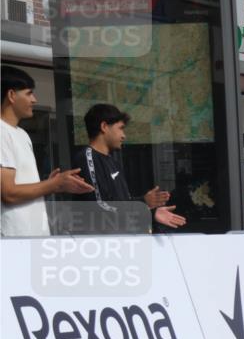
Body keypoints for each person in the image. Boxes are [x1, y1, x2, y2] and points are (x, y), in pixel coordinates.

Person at [1, 66, 93, 236]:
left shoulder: (21, 134)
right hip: (13, 239)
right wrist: (53, 184)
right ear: (11, 95)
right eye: (29, 93)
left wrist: (51, 185)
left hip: (31, 237)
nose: (34, 100)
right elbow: (8, 193)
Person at [72, 103, 186, 231]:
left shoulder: (112, 161)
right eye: (120, 128)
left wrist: (148, 208)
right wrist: (144, 206)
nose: (124, 135)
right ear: (104, 126)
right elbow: (101, 205)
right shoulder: (87, 158)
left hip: (122, 242)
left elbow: (122, 203)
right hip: (102, 244)